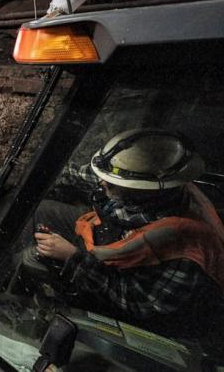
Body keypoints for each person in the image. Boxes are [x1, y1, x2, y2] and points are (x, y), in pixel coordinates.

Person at [31, 129, 224, 323]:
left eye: (112, 184)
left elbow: (138, 304)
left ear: (144, 191)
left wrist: (74, 258)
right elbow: (80, 174)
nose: (101, 183)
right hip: (114, 235)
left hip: (132, 305)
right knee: (44, 210)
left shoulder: (187, 248)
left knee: (32, 262)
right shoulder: (153, 182)